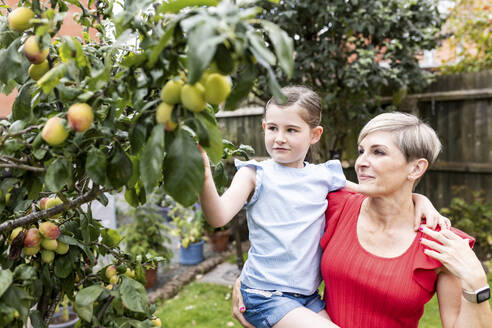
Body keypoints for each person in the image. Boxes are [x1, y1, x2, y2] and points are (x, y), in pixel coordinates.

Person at [200, 86, 448, 328]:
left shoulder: (323, 176)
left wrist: (420, 200)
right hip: (266, 294)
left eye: (292, 130)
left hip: (307, 298)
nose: (280, 138)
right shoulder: (255, 175)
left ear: (315, 134)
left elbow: (374, 190)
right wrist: (204, 177)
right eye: (273, 128)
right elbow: (217, 216)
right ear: (264, 127)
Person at [232, 112, 492, 327]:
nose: (361, 162)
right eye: (361, 151)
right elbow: (274, 228)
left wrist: (477, 287)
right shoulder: (335, 205)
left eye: (378, 152)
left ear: (416, 168)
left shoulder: (440, 242)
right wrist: (249, 284)